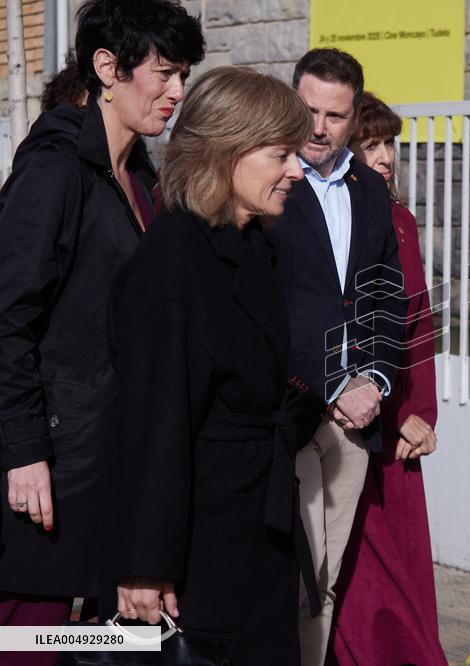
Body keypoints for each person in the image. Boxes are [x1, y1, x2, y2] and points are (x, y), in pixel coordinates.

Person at [0, 1, 203, 662]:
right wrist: (25, 448)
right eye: (165, 74)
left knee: (92, 646)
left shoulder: (140, 175)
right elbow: (7, 315)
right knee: (28, 638)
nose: (177, 92)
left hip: (109, 462)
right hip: (50, 472)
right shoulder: (55, 168)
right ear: (108, 69)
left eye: (184, 76)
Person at [105, 66, 312, 664]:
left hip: (255, 529)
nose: (296, 171)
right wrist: (145, 564)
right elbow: (151, 423)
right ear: (226, 152)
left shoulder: (254, 245)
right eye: (280, 154)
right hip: (195, 553)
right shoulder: (172, 260)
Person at [270, 48, 407, 666]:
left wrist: (376, 379)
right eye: (308, 110)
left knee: (325, 582)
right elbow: (270, 305)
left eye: (334, 115)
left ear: (355, 117)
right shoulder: (270, 178)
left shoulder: (369, 189)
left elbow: (386, 292)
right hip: (292, 405)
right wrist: (333, 384)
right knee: (298, 572)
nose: (318, 127)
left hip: (357, 416)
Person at [328, 91, 446, 666]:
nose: (386, 155)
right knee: (359, 585)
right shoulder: (321, 212)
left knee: (404, 579)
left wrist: (422, 410)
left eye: (389, 143)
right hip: (347, 418)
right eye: (370, 143)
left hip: (400, 427)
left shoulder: (402, 219)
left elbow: (419, 319)